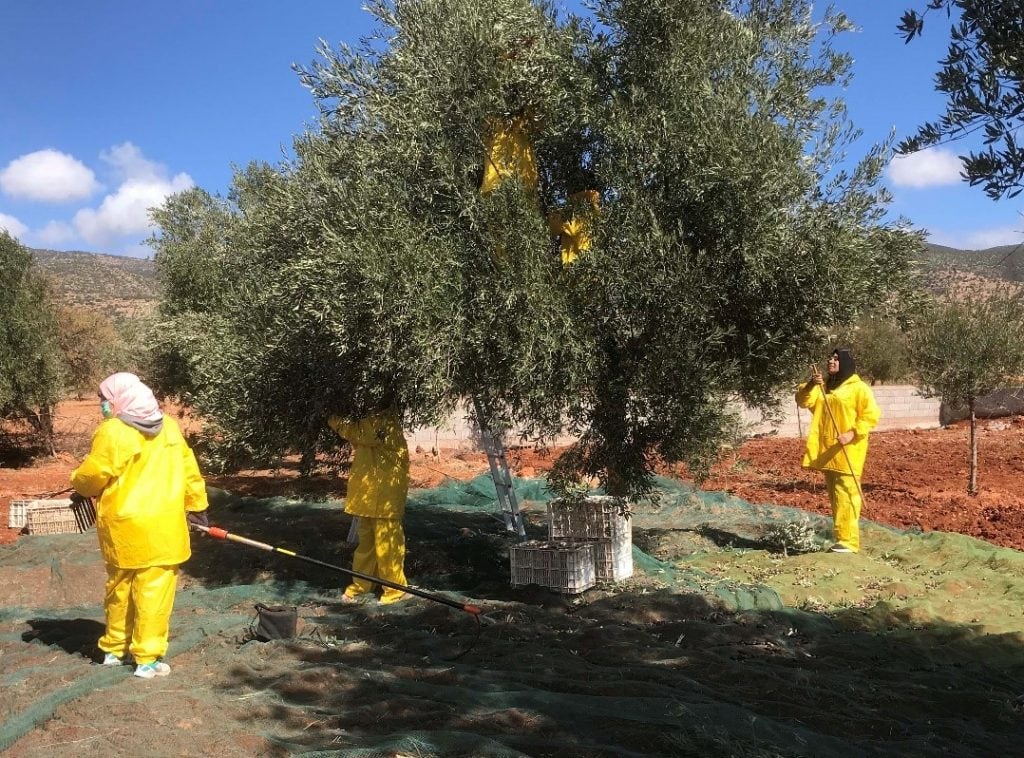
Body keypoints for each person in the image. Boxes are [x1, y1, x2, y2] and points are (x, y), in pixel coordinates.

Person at [70, 372, 209, 678]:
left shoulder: (114, 432)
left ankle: (113, 650)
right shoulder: (170, 428)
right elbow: (190, 471)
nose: (103, 405)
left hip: (123, 528)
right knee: (154, 594)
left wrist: (77, 485)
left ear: (120, 400)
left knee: (119, 588)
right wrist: (197, 506)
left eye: (105, 399)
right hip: (163, 529)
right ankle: (146, 658)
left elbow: (93, 475)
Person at [796, 348, 880, 553]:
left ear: (846, 363)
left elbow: (870, 416)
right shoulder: (823, 387)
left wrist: (852, 433)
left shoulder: (858, 388)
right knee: (835, 496)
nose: (830, 361)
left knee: (847, 494)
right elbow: (803, 401)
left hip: (848, 451)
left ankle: (849, 542)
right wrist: (810, 384)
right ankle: (841, 538)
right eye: (830, 358)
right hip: (828, 450)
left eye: (836, 359)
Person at [328, 410, 411, 604]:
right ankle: (361, 586)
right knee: (366, 543)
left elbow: (358, 433)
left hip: (385, 496)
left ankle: (394, 590)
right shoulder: (370, 419)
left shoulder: (384, 422)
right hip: (368, 495)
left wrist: (332, 417)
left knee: (387, 545)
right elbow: (358, 438)